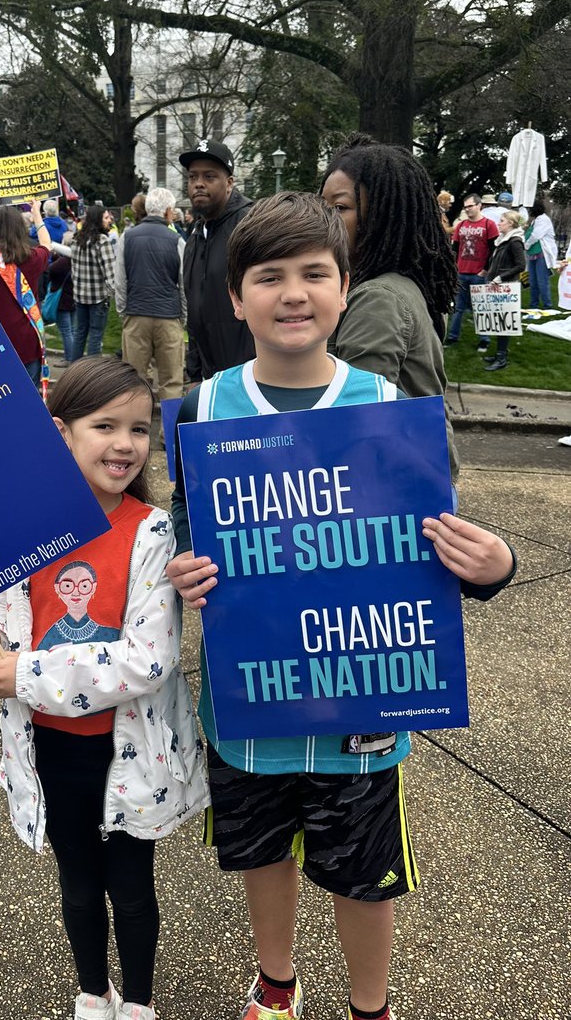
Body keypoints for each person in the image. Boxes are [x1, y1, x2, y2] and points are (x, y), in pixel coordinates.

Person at [166, 194, 516, 1020]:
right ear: (235, 298)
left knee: (364, 875)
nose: (294, 293)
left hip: (361, 703)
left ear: (344, 287)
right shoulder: (202, 409)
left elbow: (434, 537)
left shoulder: (385, 404)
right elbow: (185, 525)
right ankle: (276, 986)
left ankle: (371, 1007)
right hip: (251, 702)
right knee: (263, 857)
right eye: (269, 277)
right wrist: (183, 569)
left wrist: (493, 566)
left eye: (314, 273)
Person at [0, 357, 208, 1020]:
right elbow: (7, 630)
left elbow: (147, 660)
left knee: (131, 887)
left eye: (139, 429)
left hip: (129, 751)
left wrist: (26, 672)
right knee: (78, 885)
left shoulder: (151, 531)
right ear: (61, 432)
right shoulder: (22, 530)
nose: (125, 444)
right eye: (105, 426)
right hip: (50, 748)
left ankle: (140, 1000)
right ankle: (94, 991)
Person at [320, 134, 461, 480]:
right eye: (322, 206)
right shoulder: (400, 283)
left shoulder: (378, 298)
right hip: (421, 469)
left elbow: (358, 419)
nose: (324, 219)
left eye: (339, 208)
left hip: (396, 484)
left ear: (384, 215)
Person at [179, 138, 253, 382]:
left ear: (229, 183)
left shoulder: (250, 226)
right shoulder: (195, 238)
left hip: (251, 375)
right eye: (192, 177)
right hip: (211, 379)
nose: (198, 184)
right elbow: (195, 312)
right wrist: (194, 374)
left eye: (209, 176)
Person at [114, 186, 186, 401]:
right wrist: (183, 316)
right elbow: (184, 284)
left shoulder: (127, 237)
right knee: (172, 381)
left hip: (136, 313)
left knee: (134, 381)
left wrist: (124, 312)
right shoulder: (177, 241)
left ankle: (136, 421)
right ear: (168, 211)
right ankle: (169, 424)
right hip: (169, 316)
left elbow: (120, 281)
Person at [0, 200, 53, 387]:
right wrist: (36, 213)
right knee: (31, 394)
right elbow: (46, 244)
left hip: (0, 342)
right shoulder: (32, 257)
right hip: (29, 339)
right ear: (21, 229)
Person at [442, 192, 498, 348]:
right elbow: (455, 249)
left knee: (481, 308)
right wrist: (453, 268)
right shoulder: (461, 226)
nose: (467, 209)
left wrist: (485, 270)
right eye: (465, 207)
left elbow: (494, 250)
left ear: (479, 206)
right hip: (461, 273)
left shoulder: (489, 225)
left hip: (479, 274)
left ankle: (484, 340)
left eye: (470, 206)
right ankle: (452, 337)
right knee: (458, 308)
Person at [480, 210, 526, 371]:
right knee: (499, 322)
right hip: (498, 285)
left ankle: (501, 358)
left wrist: (500, 277)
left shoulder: (514, 241)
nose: (498, 223)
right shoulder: (503, 240)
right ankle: (500, 353)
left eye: (502, 221)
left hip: (506, 287)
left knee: (504, 323)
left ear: (511, 223)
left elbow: (521, 265)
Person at [69, 204, 116, 361]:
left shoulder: (76, 239)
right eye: (106, 217)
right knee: (95, 336)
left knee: (79, 334)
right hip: (98, 298)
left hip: (80, 296)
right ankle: (92, 372)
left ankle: (74, 369)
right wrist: (115, 295)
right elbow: (111, 274)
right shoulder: (102, 241)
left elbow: (74, 270)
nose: (109, 220)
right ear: (98, 219)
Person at [523, 195, 558, 309]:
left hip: (542, 255)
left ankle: (547, 305)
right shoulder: (535, 221)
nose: (528, 211)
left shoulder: (543, 220)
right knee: (532, 281)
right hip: (533, 255)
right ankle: (534, 304)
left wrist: (526, 245)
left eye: (529, 209)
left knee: (542, 281)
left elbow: (536, 235)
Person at [46, 247, 75, 363]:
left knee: (66, 331)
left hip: (62, 301)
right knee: (72, 330)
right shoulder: (77, 259)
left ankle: (69, 358)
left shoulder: (63, 261)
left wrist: (55, 257)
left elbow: (50, 270)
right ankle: (73, 357)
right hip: (73, 299)